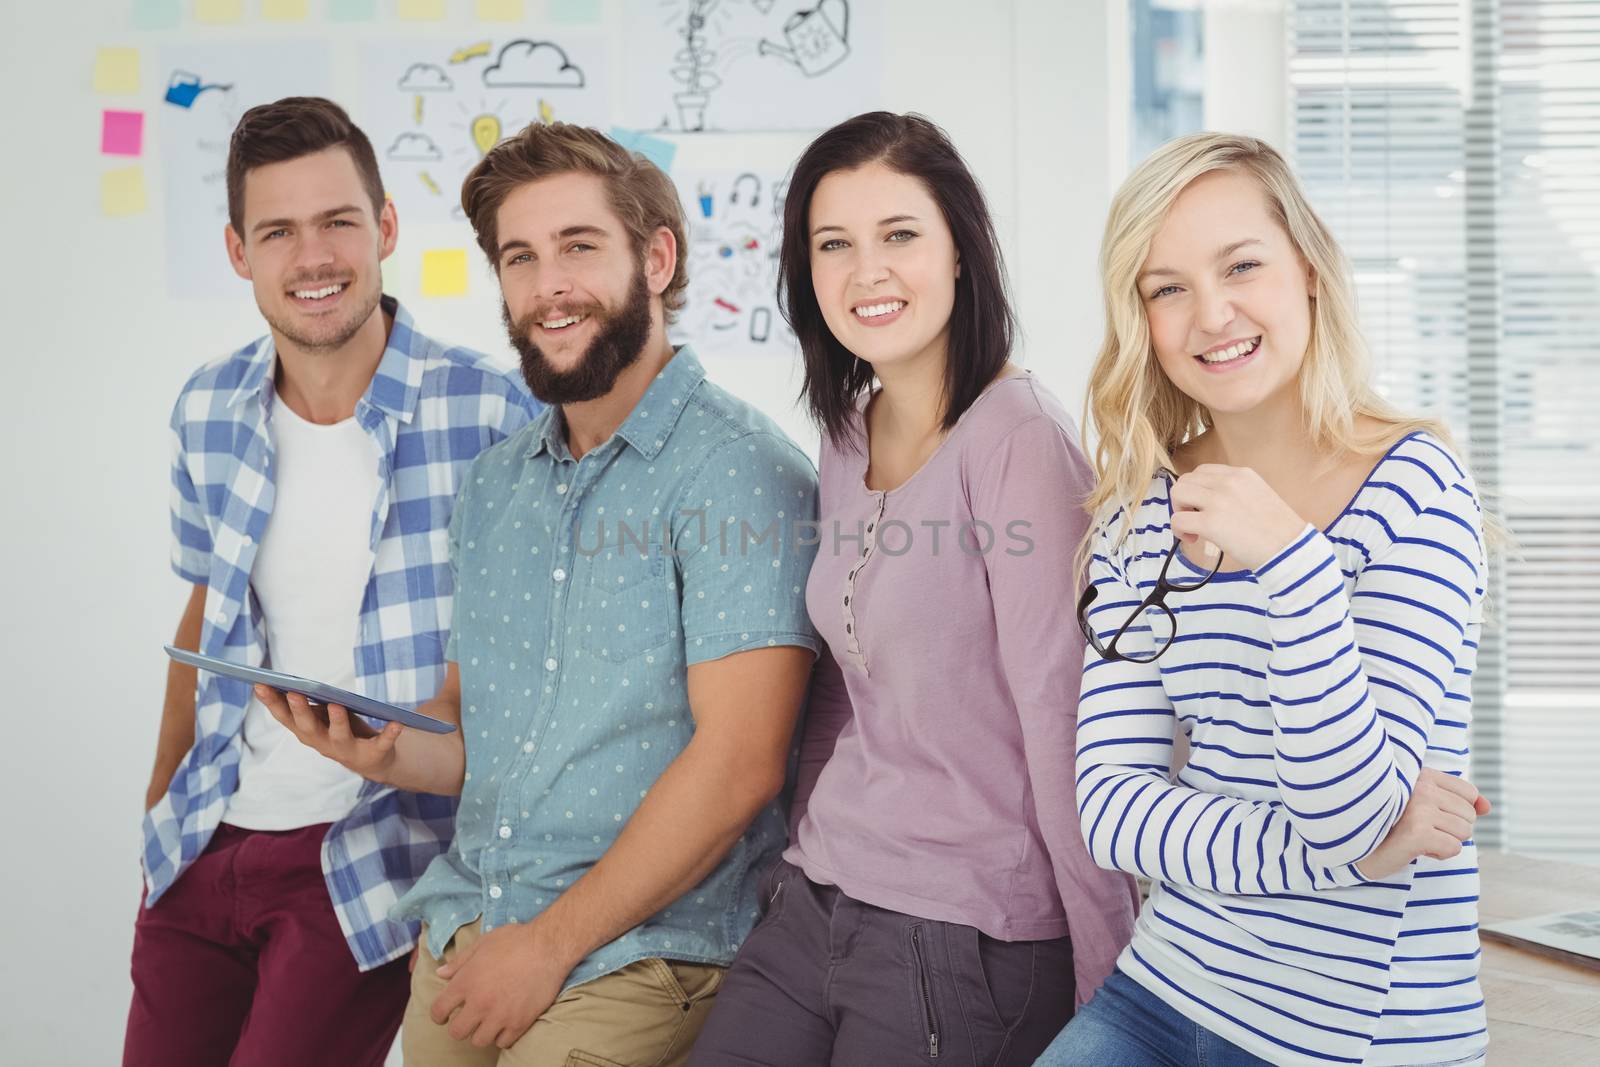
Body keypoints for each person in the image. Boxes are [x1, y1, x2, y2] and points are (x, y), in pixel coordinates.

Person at [261, 121, 822, 1066]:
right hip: (467, 931)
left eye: (578, 247)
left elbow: (741, 765)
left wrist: (550, 945)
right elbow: (474, 735)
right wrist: (387, 748)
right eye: (520, 258)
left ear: (656, 257)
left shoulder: (741, 474)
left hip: (643, 951)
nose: (547, 285)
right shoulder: (494, 486)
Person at [690, 111, 1140, 1067]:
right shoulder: (848, 430)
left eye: (899, 235)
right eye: (834, 244)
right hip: (819, 896)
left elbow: (1068, 723)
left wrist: (1112, 988)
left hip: (964, 928)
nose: (868, 271)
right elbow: (843, 692)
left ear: (961, 252)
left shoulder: (1017, 438)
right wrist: (792, 858)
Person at [1035, 132, 1492, 1067]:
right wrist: (1350, 857)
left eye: (1241, 264)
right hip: (1164, 986)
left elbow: (1349, 805)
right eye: (1167, 287)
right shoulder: (1141, 510)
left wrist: (1293, 563)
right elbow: (1114, 811)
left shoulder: (1418, 490)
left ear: (1310, 270)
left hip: (1355, 1037)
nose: (1212, 314)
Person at [127, 97, 537, 1067]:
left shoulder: (491, 408)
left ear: (386, 226)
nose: (312, 256)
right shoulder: (206, 409)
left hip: (367, 848)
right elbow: (207, 606)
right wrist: (158, 803)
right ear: (238, 250)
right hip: (202, 838)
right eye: (278, 231)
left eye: (338, 221)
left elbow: (537, 641)